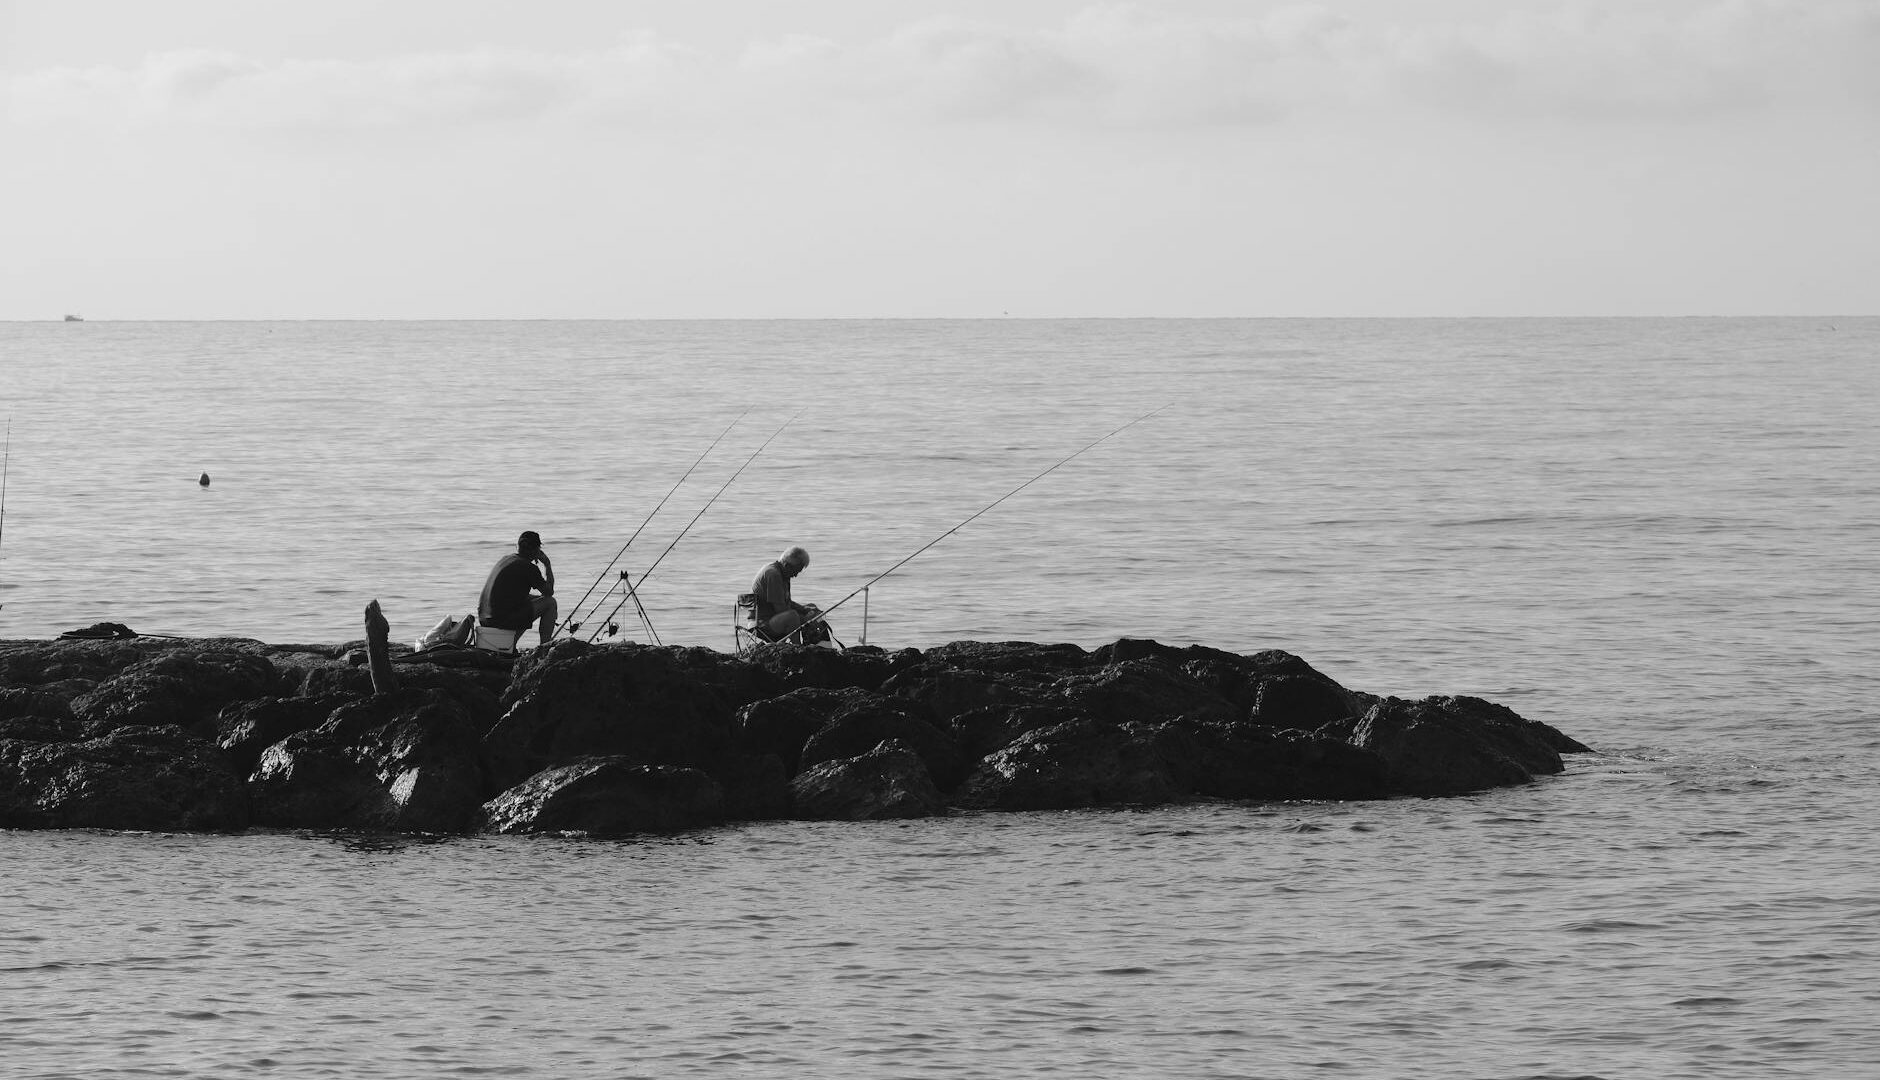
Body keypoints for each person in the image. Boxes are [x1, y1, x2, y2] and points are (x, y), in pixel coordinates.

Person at [479, 530, 557, 646]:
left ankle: (511, 644)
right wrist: (547, 565)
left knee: (533, 599)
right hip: (500, 621)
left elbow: (512, 595)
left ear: (518, 547)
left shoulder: (506, 559)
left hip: (486, 620)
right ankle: (545, 647)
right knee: (550, 603)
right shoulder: (528, 567)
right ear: (536, 550)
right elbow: (549, 592)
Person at [750, 545, 821, 641]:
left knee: (811, 607)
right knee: (792, 616)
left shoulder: (783, 573)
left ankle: (812, 642)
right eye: (796, 571)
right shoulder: (773, 574)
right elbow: (781, 609)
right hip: (762, 624)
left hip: (773, 618)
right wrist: (805, 620)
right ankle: (797, 647)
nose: (795, 575)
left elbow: (787, 602)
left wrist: (804, 609)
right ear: (787, 566)